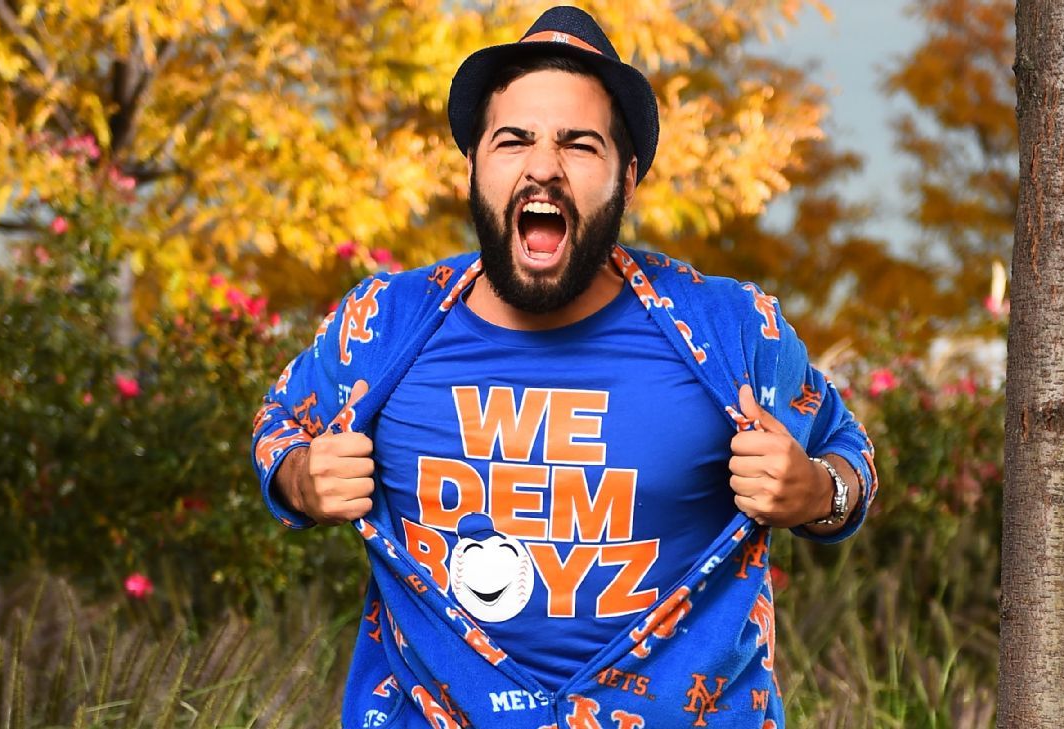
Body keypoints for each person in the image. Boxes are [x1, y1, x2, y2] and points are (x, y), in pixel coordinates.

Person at [251, 6, 877, 728]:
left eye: (579, 145)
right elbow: (280, 425)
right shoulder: (384, 324)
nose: (542, 166)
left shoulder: (728, 329)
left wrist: (816, 493)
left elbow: (849, 455)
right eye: (513, 139)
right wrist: (300, 478)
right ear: (474, 168)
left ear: (627, 177)